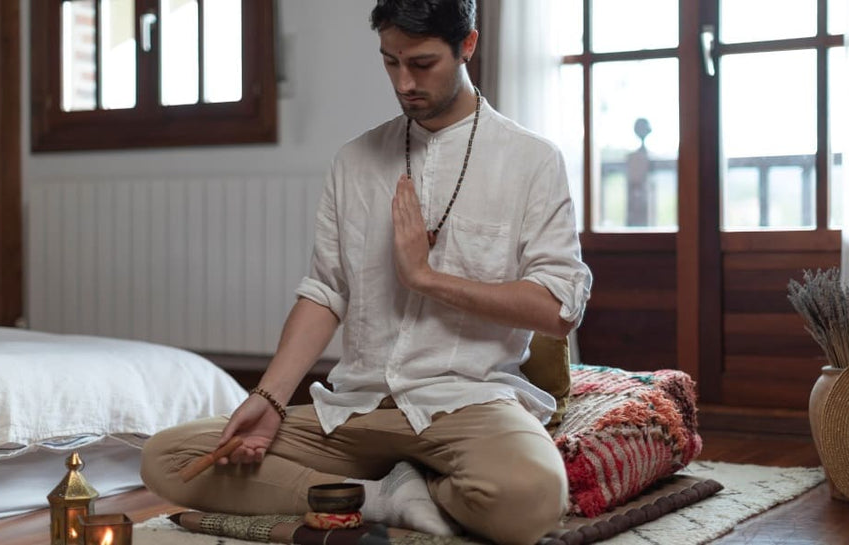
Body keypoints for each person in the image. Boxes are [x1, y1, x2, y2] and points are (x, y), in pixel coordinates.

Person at [140, 1, 592, 544]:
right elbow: (326, 291)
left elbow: (557, 308)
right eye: (390, 62)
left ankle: (414, 483)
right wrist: (269, 397)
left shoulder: (531, 160)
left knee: (532, 500)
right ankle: (385, 497)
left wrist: (426, 278)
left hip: (467, 402)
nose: (404, 82)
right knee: (169, 458)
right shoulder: (354, 161)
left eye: (422, 64)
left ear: (467, 45)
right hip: (356, 409)